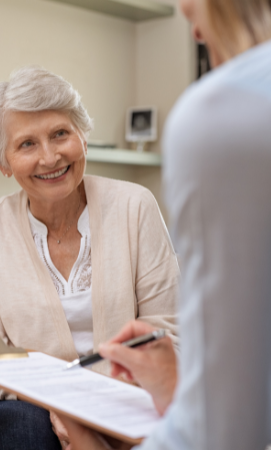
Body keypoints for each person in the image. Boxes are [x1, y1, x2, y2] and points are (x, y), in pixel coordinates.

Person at [53, 0, 271, 449]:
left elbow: (224, 432)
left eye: (61, 135)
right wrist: (178, 390)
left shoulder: (222, 115)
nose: (192, 28)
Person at [0, 66, 180, 450]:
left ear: (82, 136)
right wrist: (55, 401)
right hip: (20, 404)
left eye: (60, 134)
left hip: (122, 398)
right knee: (26, 430)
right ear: (4, 163)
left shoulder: (135, 206)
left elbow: (167, 331)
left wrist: (93, 405)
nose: (50, 157)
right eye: (27, 144)